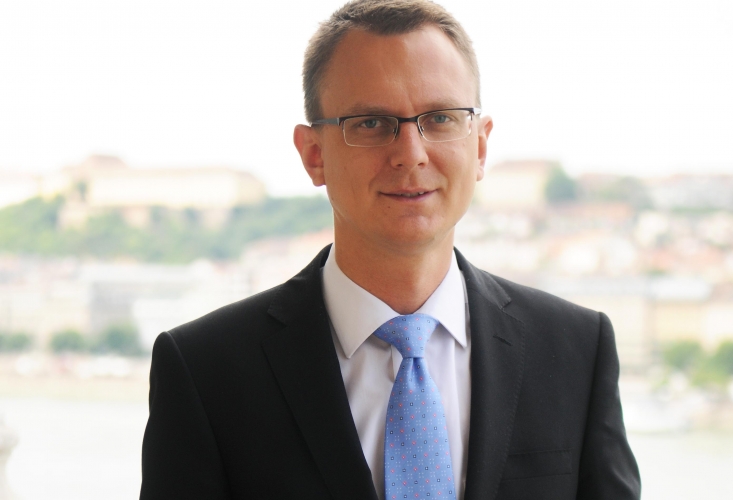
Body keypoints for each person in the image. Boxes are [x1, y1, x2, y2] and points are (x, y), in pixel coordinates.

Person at [140, 0, 641, 499]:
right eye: (371, 123)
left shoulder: (577, 349)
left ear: (480, 147)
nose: (411, 154)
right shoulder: (205, 371)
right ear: (313, 155)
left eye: (440, 118)